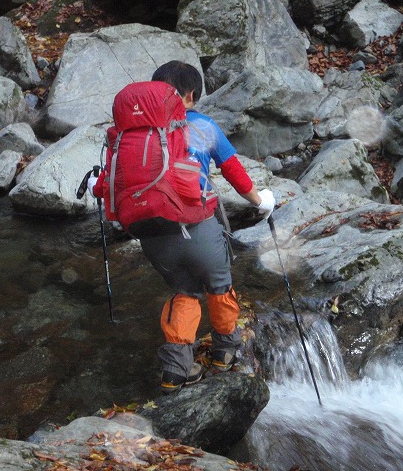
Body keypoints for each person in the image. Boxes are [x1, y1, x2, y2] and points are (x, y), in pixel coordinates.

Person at [89, 60, 275, 393]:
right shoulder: (202, 126)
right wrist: (261, 202)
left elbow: (106, 185)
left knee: (185, 292)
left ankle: (175, 372)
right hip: (197, 227)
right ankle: (224, 354)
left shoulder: (128, 136)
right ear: (190, 94)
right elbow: (233, 172)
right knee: (218, 285)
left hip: (150, 235)